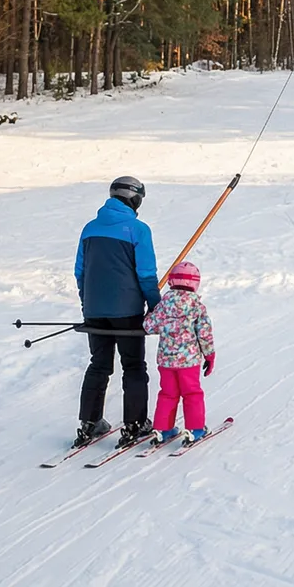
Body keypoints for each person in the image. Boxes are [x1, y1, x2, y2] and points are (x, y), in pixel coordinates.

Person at [75, 176, 160, 448]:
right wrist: (155, 307)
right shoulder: (138, 230)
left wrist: (86, 303)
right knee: (133, 365)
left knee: (98, 364)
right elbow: (146, 275)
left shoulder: (89, 229)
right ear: (134, 199)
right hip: (127, 311)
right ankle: (135, 424)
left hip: (94, 310)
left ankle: (89, 422)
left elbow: (80, 272)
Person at [142, 260, 215, 445]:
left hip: (166, 360)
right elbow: (204, 333)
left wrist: (151, 315)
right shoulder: (196, 306)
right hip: (188, 362)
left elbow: (149, 327)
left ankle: (163, 429)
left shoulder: (164, 304)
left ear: (171, 281)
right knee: (192, 393)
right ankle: (195, 428)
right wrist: (209, 355)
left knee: (167, 393)